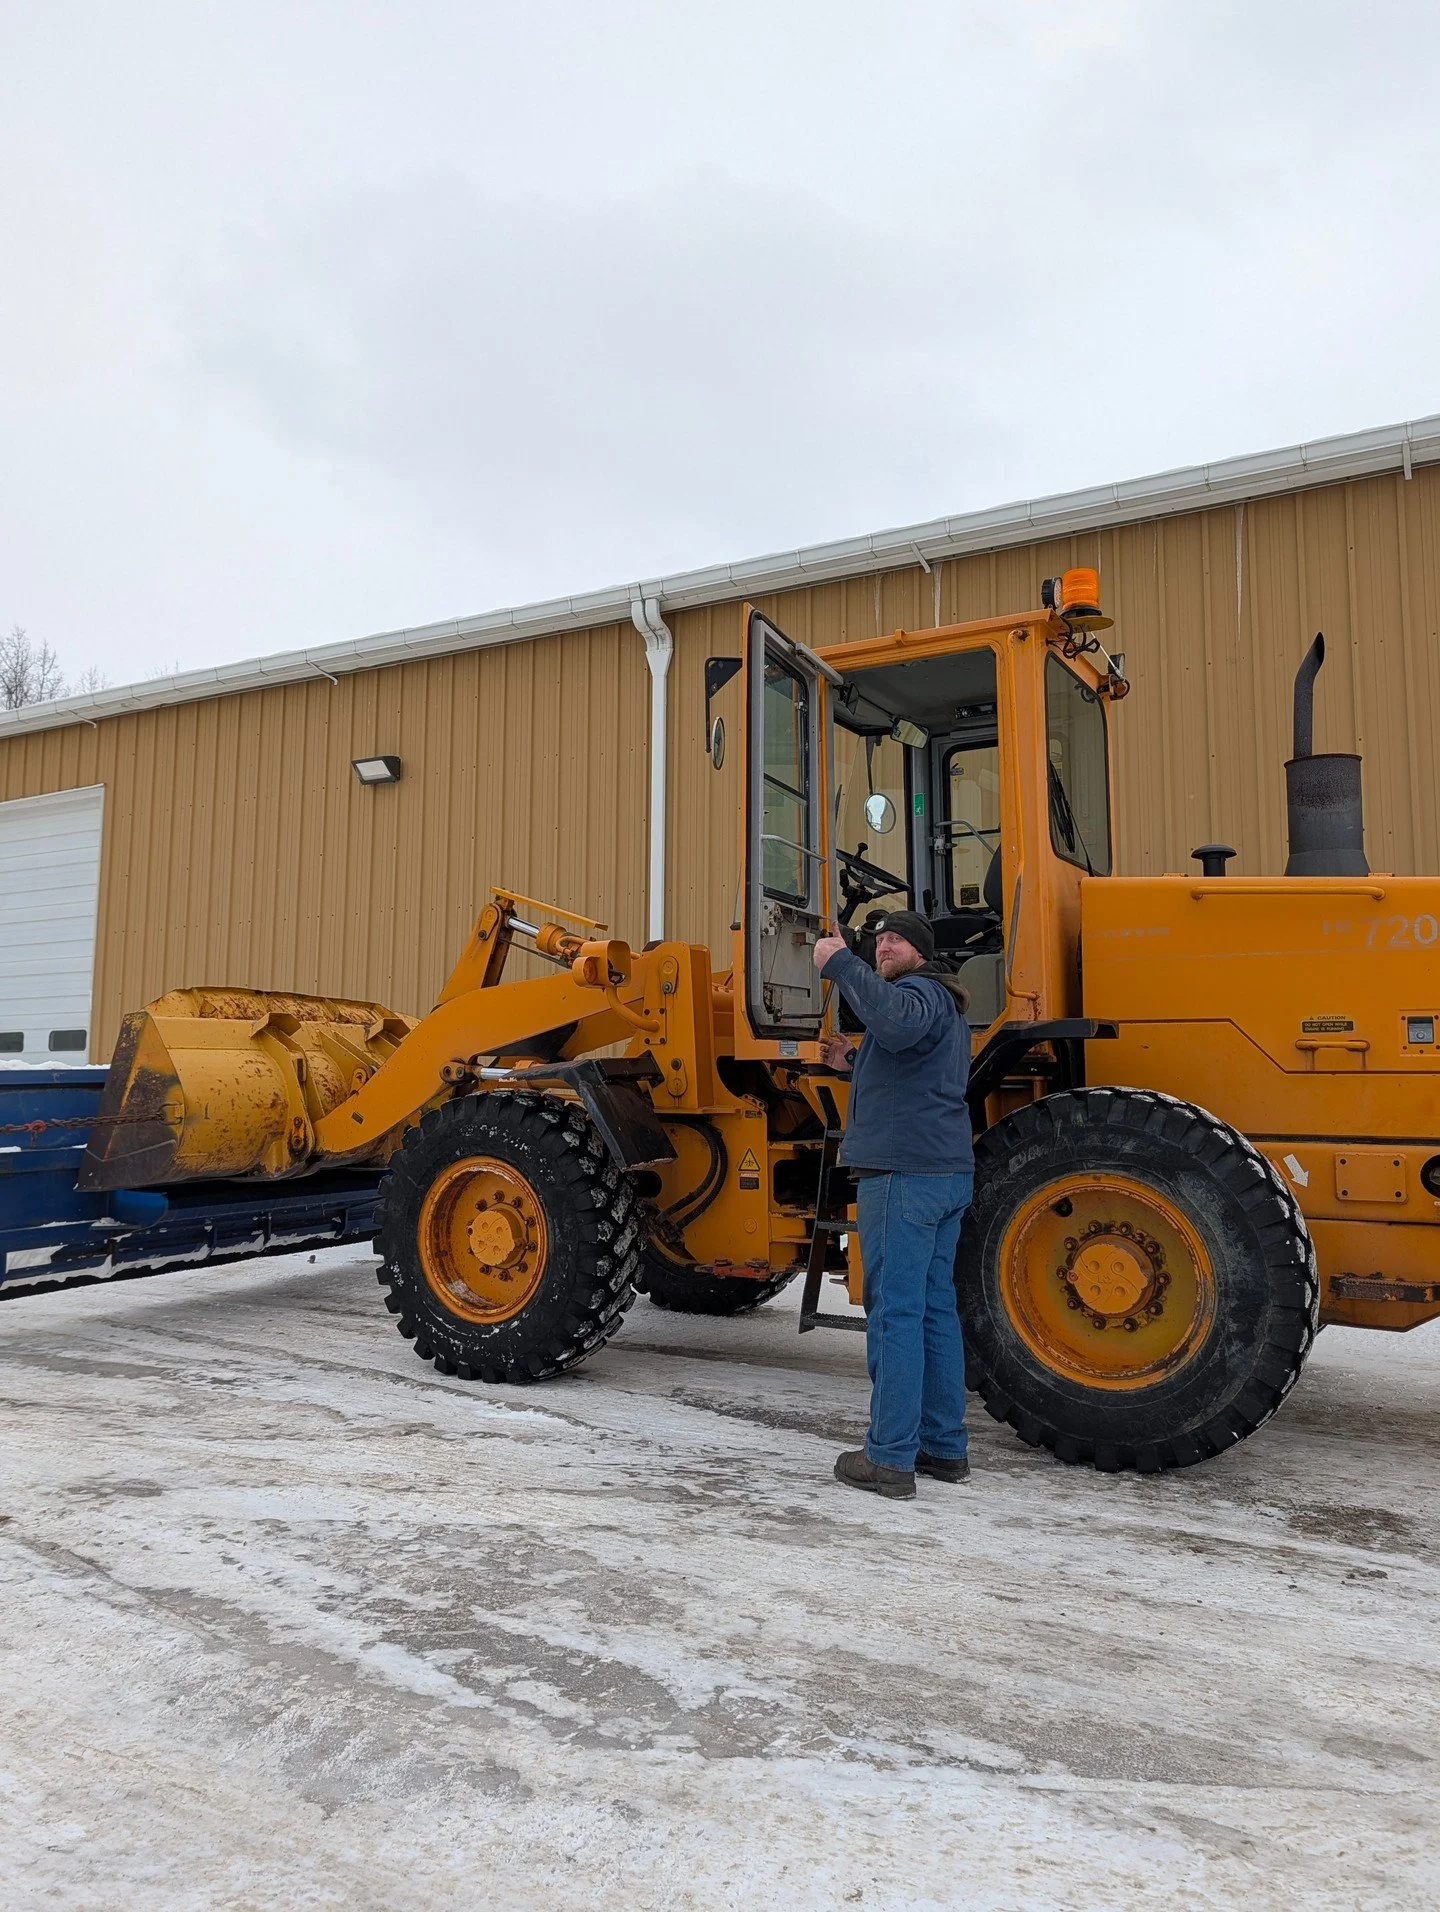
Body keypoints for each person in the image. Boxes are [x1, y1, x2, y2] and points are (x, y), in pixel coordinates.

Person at [812, 909, 973, 1500]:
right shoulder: (945, 1006)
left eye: (896, 939)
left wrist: (840, 965)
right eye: (877, 940)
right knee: (932, 1311)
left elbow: (899, 1022)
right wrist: (849, 1062)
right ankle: (942, 1446)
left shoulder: (918, 992)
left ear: (920, 952)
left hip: (904, 1174)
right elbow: (908, 1062)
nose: (883, 946)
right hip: (944, 1172)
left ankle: (888, 1458)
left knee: (895, 1315)